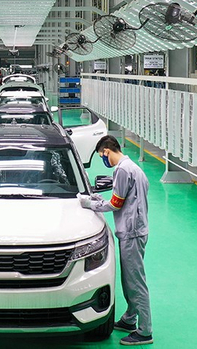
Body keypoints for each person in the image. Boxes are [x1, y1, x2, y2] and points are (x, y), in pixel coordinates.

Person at [78, 135, 152, 346]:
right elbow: (124, 199)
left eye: (102, 155)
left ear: (107, 151)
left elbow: (116, 204)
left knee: (135, 282)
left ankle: (145, 331)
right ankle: (129, 319)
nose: (104, 159)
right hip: (137, 229)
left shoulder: (121, 170)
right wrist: (102, 200)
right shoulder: (135, 169)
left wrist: (89, 204)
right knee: (130, 280)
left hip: (131, 233)